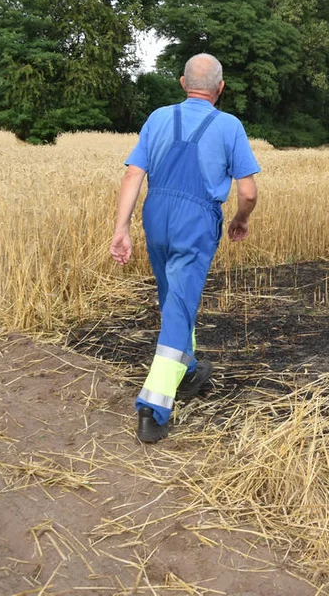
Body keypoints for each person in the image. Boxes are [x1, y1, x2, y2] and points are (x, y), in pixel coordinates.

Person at [110, 54, 259, 443]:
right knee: (179, 305)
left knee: (172, 297)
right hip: (195, 219)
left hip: (155, 214)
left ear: (182, 83)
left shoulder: (158, 117)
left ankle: (187, 369)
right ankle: (153, 408)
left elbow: (132, 173)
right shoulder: (229, 125)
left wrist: (121, 228)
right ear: (220, 88)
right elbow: (248, 192)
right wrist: (240, 219)